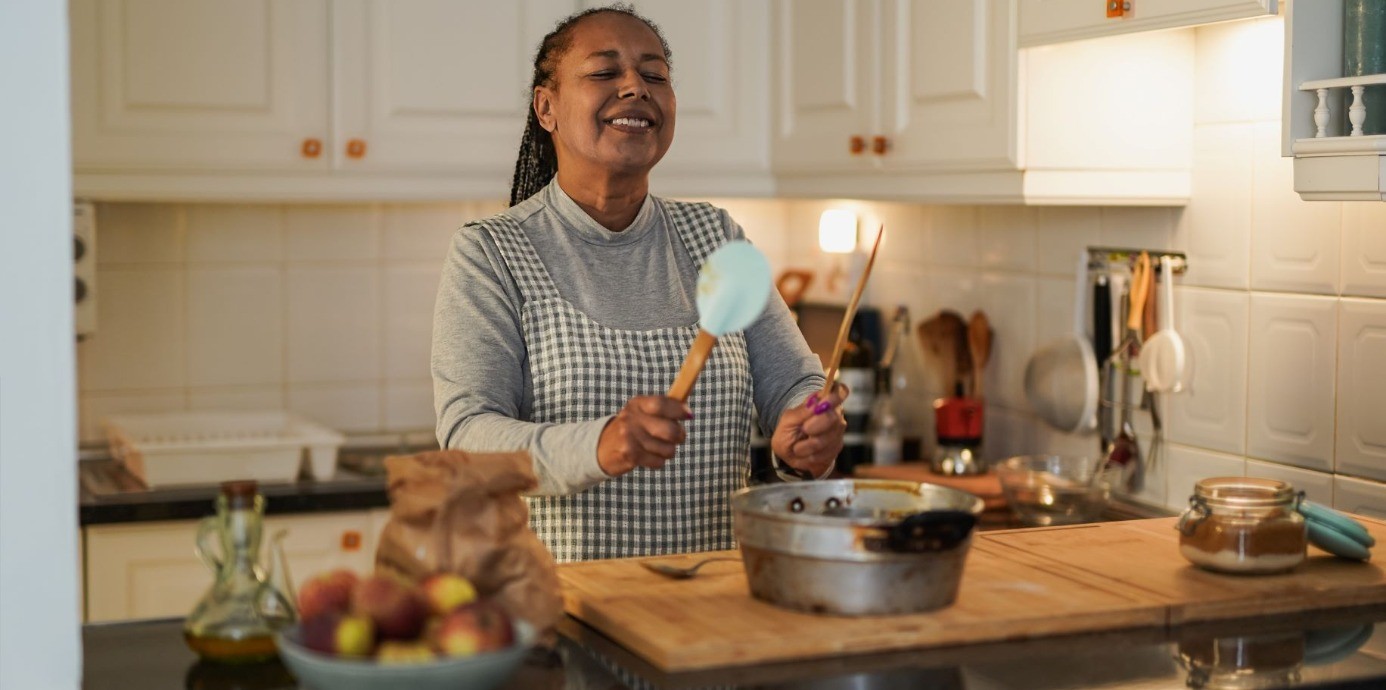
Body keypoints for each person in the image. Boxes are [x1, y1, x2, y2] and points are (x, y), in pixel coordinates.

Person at [432, 3, 846, 563]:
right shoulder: (492, 252)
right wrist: (601, 445)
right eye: (605, 72)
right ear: (546, 108)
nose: (635, 88)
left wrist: (807, 435)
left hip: (708, 603)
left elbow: (794, 385)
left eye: (654, 75)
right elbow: (468, 439)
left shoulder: (717, 238)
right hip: (562, 612)